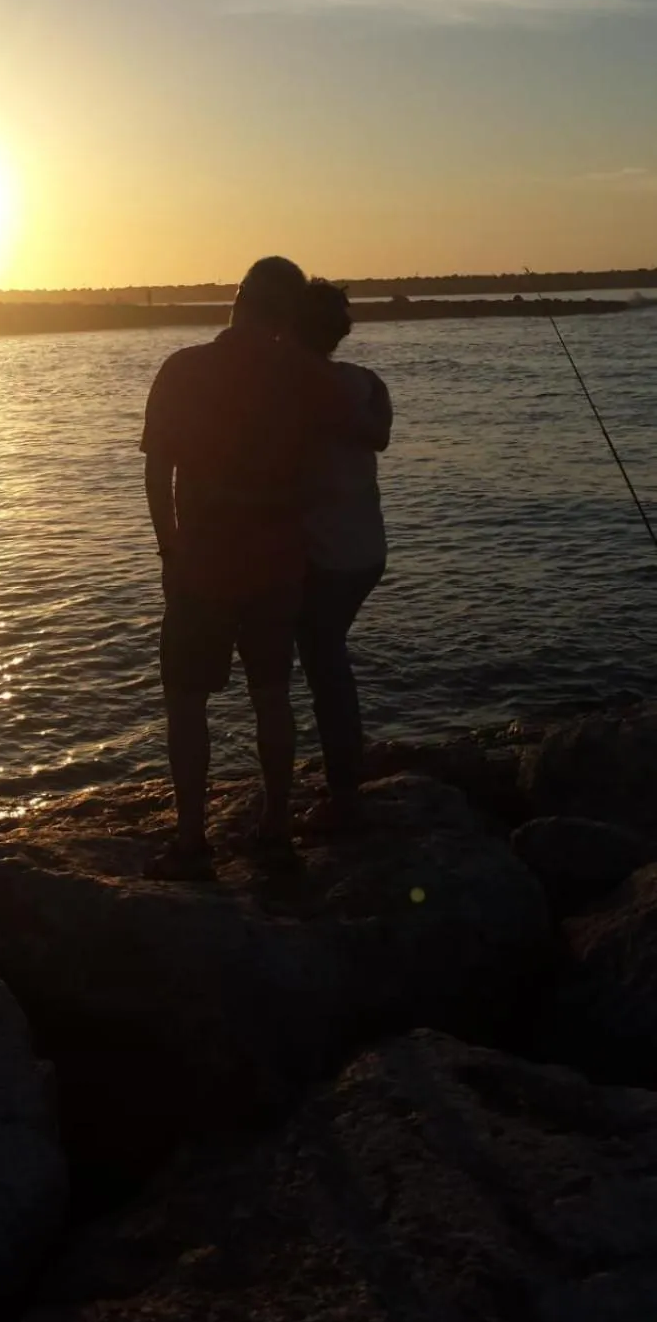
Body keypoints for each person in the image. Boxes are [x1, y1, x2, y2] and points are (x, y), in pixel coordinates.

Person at [140, 257, 388, 880]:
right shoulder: (297, 376)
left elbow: (156, 471)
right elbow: (368, 426)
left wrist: (169, 550)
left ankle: (192, 842)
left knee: (186, 700)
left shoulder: (184, 368)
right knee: (272, 697)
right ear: (285, 315)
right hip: (278, 561)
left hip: (201, 560)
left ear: (236, 299)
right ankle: (276, 828)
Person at [294, 279, 392, 833]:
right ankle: (342, 775)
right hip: (368, 551)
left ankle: (343, 787)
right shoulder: (369, 383)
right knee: (328, 661)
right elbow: (379, 435)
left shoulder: (290, 392)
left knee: (323, 666)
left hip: (325, 557)